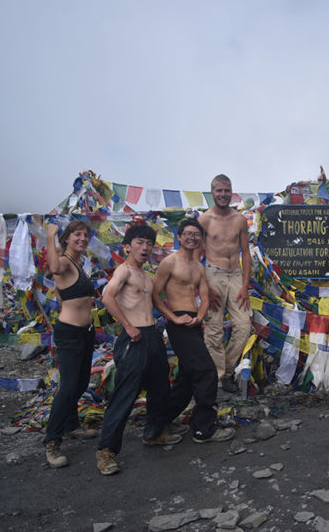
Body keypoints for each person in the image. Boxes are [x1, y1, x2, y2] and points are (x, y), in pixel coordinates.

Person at [96, 225, 182, 475]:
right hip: (132, 337)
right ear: (127, 245)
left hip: (151, 334)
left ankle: (153, 434)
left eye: (149, 244)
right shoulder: (123, 271)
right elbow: (107, 298)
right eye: (140, 243)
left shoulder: (146, 276)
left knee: (160, 388)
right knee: (126, 392)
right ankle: (106, 451)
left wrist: (171, 322)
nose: (145, 248)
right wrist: (128, 326)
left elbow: (156, 303)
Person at [152, 218, 235, 444]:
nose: (192, 237)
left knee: (187, 378)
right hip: (179, 325)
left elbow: (205, 297)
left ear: (201, 239)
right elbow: (155, 295)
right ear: (179, 237)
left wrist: (199, 316)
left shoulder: (199, 266)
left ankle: (159, 422)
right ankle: (203, 429)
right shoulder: (169, 262)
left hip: (194, 323)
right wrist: (174, 318)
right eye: (187, 234)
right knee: (206, 371)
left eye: (196, 235)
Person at [42, 220, 99, 468]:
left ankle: (72, 425)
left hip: (86, 332)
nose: (83, 238)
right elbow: (54, 268)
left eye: (86, 235)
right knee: (67, 388)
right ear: (67, 238)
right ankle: (52, 442)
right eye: (77, 234)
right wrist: (50, 236)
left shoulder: (79, 263)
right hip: (69, 334)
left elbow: (60, 288)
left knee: (81, 383)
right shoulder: (64, 260)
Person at [199, 174, 252, 394]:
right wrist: (205, 287)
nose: (223, 195)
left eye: (226, 190)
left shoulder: (239, 219)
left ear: (232, 192)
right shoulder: (204, 220)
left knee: (244, 326)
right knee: (213, 328)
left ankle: (228, 370)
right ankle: (219, 378)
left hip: (236, 275)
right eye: (219, 191)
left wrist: (245, 285)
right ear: (212, 192)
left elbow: (246, 254)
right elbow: (195, 257)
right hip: (212, 274)